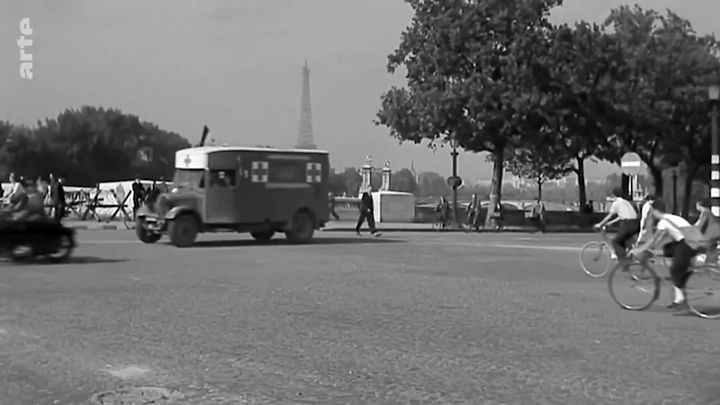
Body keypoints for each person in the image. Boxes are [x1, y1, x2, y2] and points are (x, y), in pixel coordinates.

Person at [632, 200, 699, 309]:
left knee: (675, 271)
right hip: (687, 244)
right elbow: (660, 240)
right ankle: (678, 294)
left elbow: (655, 239)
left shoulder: (664, 221)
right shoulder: (673, 217)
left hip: (686, 246)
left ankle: (680, 299)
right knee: (667, 249)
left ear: (654, 210)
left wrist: (640, 249)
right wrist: (651, 250)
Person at [594, 187, 639, 263]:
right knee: (625, 241)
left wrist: (600, 224)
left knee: (615, 242)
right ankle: (629, 256)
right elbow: (621, 216)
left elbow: (610, 215)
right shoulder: (626, 202)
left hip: (627, 224)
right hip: (635, 223)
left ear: (613, 195)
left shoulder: (616, 203)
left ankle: (623, 261)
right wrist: (611, 223)